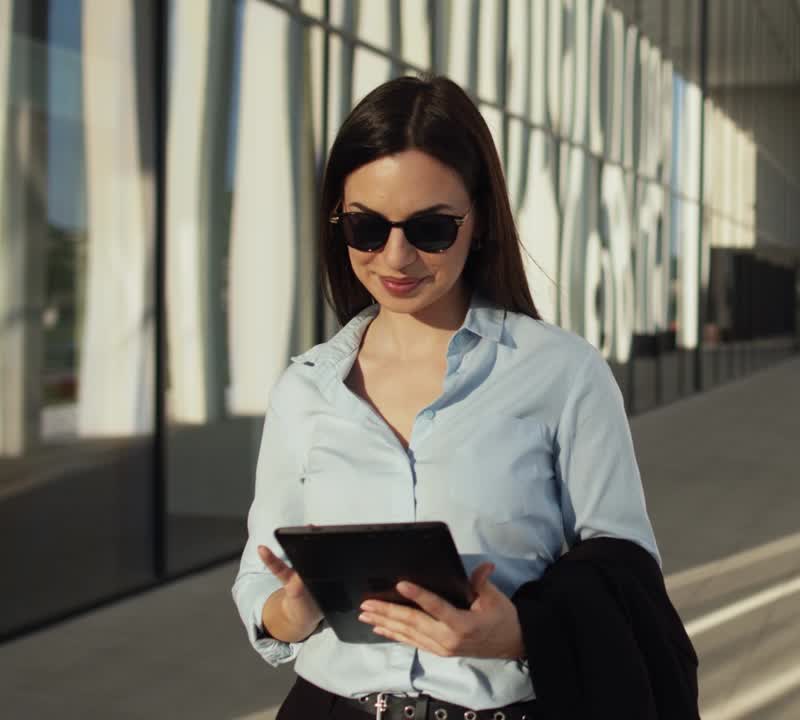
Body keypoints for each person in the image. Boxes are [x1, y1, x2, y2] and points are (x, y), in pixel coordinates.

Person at [231, 75, 680, 720]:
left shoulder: (561, 373)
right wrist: (291, 611)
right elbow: (258, 578)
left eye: (431, 228)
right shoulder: (305, 389)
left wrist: (516, 634)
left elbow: (628, 577)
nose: (396, 255)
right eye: (365, 226)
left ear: (480, 220)